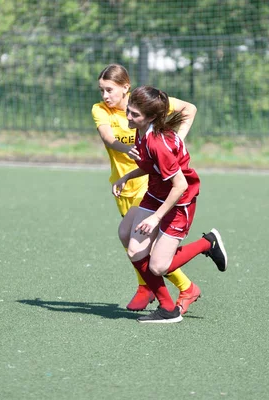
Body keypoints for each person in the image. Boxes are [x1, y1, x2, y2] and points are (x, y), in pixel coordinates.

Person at [92, 64, 201, 314]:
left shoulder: (146, 106)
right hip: (128, 184)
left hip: (154, 189)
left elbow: (188, 109)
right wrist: (128, 169)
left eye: (109, 89)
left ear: (125, 88)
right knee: (131, 242)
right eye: (101, 90)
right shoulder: (109, 113)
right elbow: (109, 138)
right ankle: (149, 286)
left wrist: (175, 142)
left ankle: (173, 293)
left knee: (150, 254)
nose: (105, 96)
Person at [112, 85, 227, 323]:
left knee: (158, 266)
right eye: (129, 111)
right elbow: (148, 165)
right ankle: (167, 307)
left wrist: (155, 218)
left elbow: (181, 185)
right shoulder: (142, 130)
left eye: (135, 114)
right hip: (156, 194)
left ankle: (208, 243)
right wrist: (126, 177)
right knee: (130, 241)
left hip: (179, 201)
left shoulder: (157, 142)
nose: (129, 117)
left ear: (152, 117)